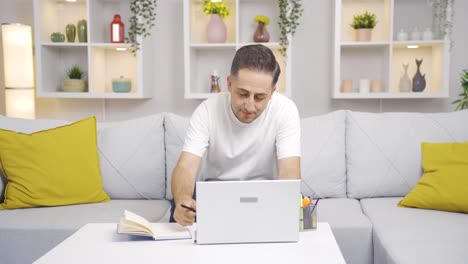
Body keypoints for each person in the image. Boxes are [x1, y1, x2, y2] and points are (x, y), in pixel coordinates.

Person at [170, 44, 301, 226]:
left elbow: (289, 172)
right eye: (243, 94)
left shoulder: (285, 110)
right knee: (179, 215)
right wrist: (182, 199)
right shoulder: (206, 111)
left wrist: (281, 211)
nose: (249, 105)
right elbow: (186, 166)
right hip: (213, 195)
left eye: (259, 97)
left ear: (272, 93)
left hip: (263, 197)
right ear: (229, 83)